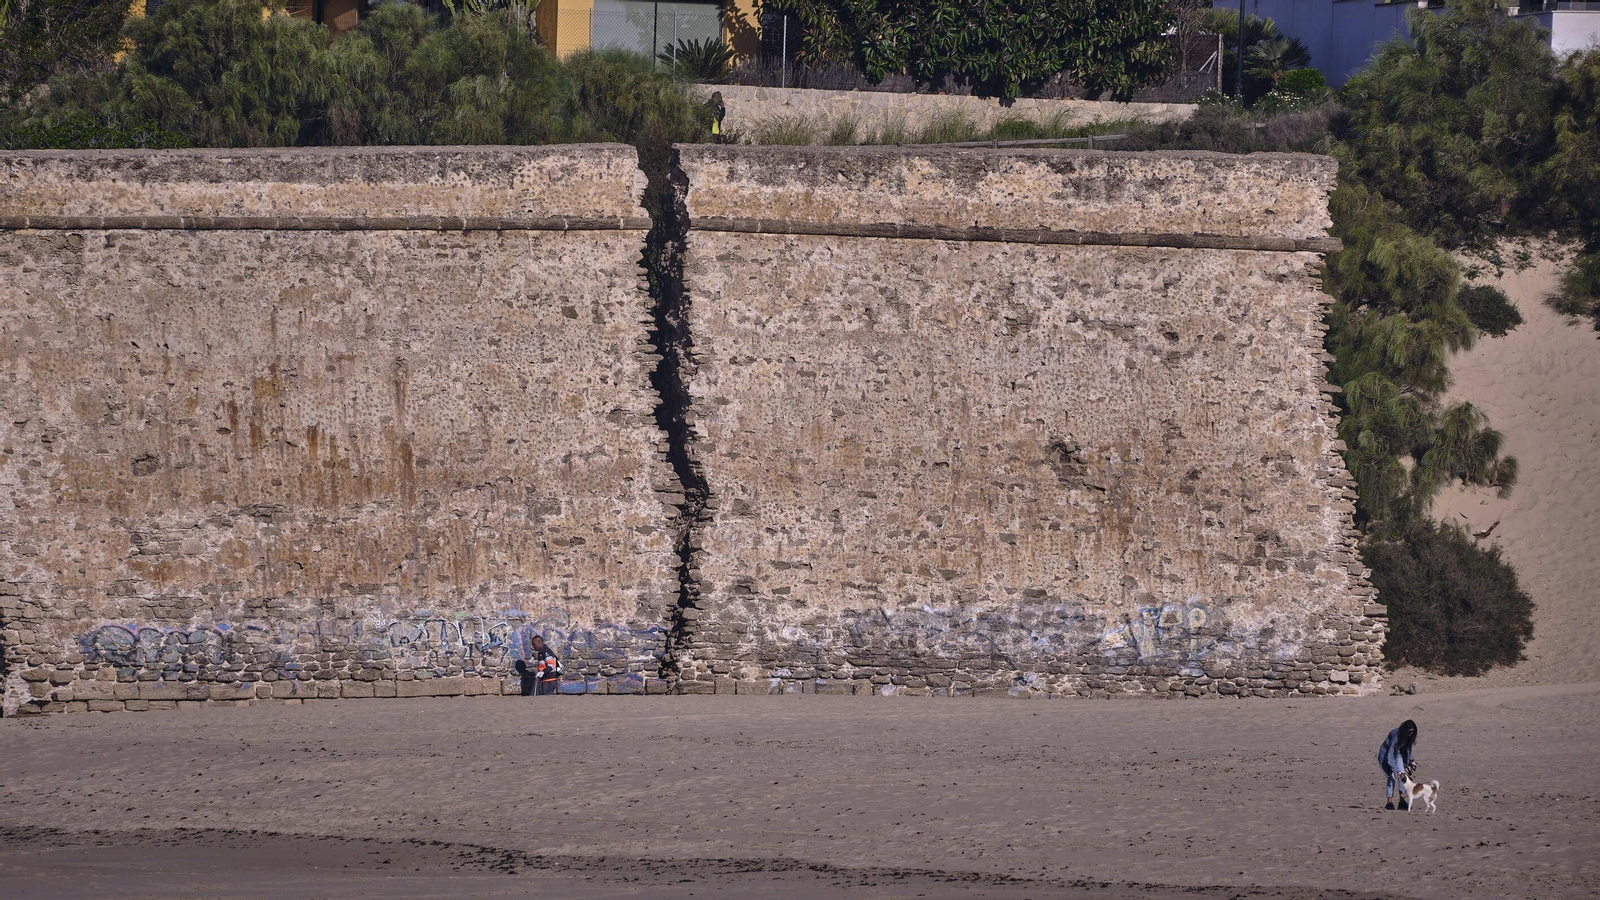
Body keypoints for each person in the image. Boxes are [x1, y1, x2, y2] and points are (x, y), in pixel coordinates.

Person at [1377, 719, 1419, 809]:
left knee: (1403, 775)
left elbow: (1408, 751)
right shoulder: (1396, 736)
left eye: (1413, 732)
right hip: (1386, 753)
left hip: (1399, 754)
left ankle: (1402, 802)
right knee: (1392, 776)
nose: (1411, 734)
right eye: (1409, 732)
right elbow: (1390, 754)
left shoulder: (1409, 737)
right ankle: (1389, 803)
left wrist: (1409, 764)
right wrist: (1394, 769)